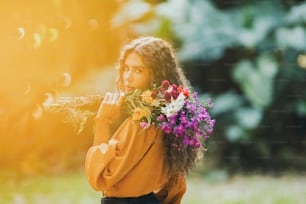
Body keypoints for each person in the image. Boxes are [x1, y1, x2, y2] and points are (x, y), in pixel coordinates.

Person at [85, 36, 201, 204]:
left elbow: (102, 177)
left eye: (138, 70)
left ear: (155, 75)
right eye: (126, 68)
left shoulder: (143, 124)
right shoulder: (170, 120)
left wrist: (102, 120)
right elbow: (176, 186)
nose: (128, 77)